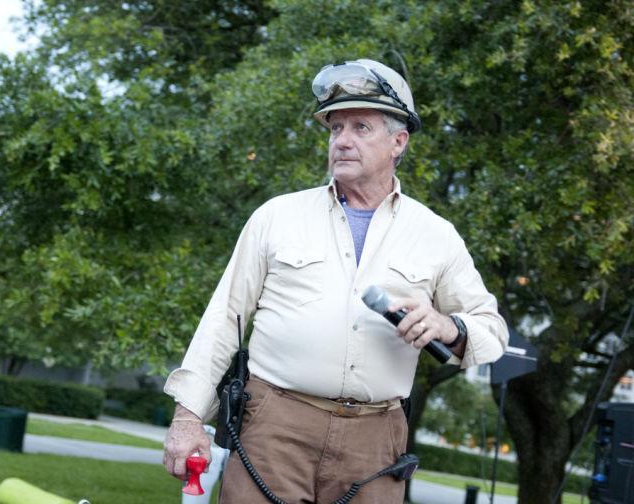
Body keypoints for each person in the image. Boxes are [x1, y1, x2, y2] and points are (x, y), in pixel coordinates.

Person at [163, 58, 508, 503]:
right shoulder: (276, 216)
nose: (342, 141)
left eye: (360, 127)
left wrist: (449, 327)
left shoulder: (436, 235)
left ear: (398, 141)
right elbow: (221, 322)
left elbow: (492, 331)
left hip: (376, 441)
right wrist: (188, 419)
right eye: (334, 129)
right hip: (274, 427)